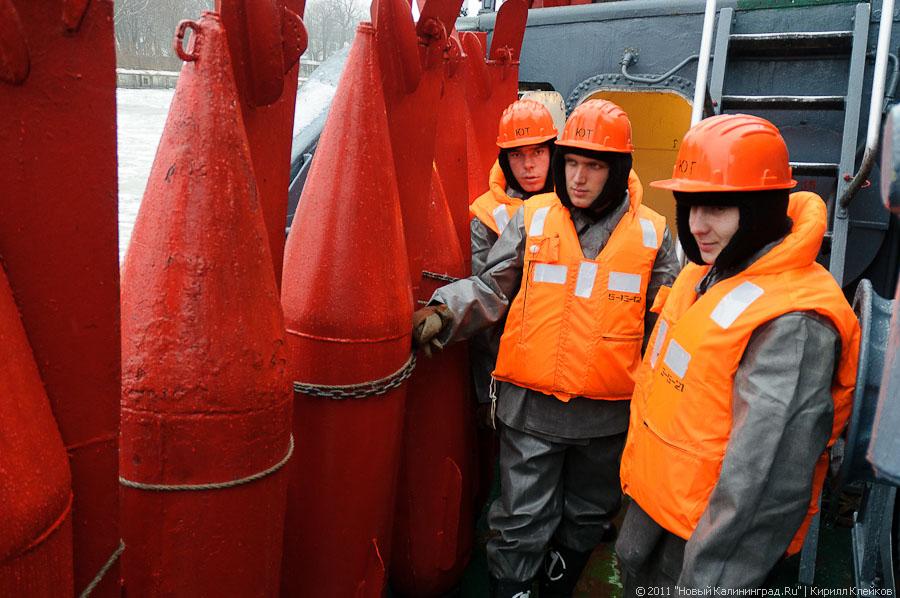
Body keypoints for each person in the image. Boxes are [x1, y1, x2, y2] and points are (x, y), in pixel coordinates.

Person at [412, 99, 679, 598]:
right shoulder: (533, 217)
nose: (578, 178)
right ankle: (511, 588)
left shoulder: (654, 235)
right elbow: (493, 287)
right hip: (531, 411)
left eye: (593, 166)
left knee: (588, 513)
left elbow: (665, 325)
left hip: (608, 417)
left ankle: (559, 581)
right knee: (519, 519)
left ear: (617, 169)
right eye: (572, 164)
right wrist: (443, 312)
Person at [616, 114, 861, 591]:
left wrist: (709, 582)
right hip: (655, 519)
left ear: (761, 211)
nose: (698, 226)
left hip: (705, 551)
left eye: (718, 208)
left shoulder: (795, 323)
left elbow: (764, 483)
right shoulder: (704, 271)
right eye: (690, 206)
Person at [469, 98, 557, 421]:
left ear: (552, 153)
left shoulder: (575, 205)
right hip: (510, 377)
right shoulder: (486, 216)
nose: (529, 165)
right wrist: (488, 390)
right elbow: (484, 308)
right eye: (517, 155)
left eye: (537, 152)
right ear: (505, 160)